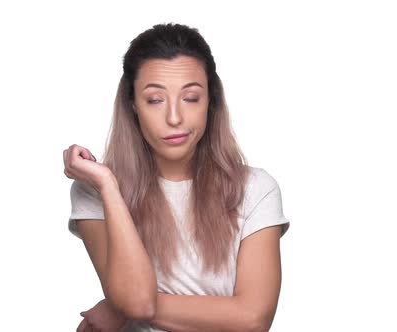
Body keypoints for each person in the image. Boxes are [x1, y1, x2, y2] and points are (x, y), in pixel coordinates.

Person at [62, 22, 290, 332]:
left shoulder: (255, 190)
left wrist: (117, 306)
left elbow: (252, 319)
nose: (174, 118)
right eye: (155, 100)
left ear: (211, 102)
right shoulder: (95, 190)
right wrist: (108, 186)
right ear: (133, 106)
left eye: (191, 98)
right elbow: (137, 302)